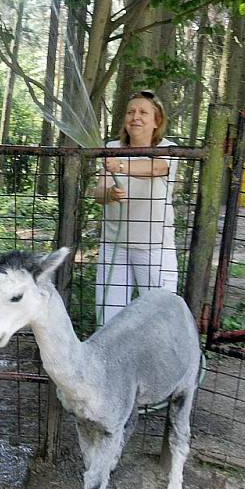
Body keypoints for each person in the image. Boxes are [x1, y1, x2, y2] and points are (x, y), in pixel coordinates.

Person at [93, 91, 178, 326]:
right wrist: (109, 194)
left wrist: (120, 165)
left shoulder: (168, 148)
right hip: (114, 245)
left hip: (154, 247)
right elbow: (98, 193)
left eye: (143, 112)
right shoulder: (111, 147)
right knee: (108, 316)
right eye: (131, 112)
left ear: (156, 121)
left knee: (160, 315)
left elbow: (157, 168)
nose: (135, 117)